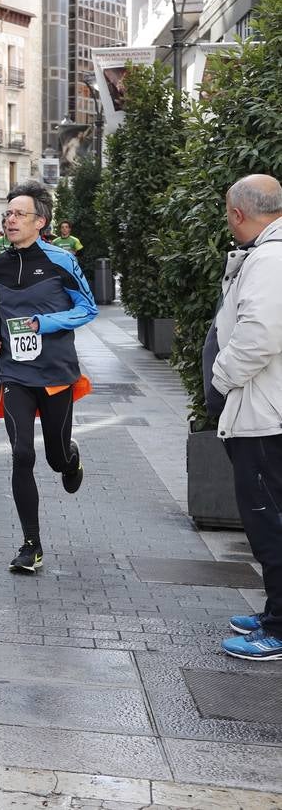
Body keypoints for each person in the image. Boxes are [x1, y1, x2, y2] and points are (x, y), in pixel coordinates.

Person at [0, 181, 96, 574]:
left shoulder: (60, 261)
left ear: (40, 221)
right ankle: (31, 545)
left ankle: (70, 460)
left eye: (19, 214)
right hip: (15, 371)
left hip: (55, 372)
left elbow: (88, 308)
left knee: (53, 455)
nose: (10, 220)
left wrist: (43, 323)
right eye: (8, 214)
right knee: (21, 455)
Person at [206, 174, 282, 661]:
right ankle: (276, 609)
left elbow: (259, 333)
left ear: (237, 213)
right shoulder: (268, 253)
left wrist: (221, 375)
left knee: (268, 520)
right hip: (262, 410)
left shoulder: (271, 259)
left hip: (264, 415)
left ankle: (278, 628)